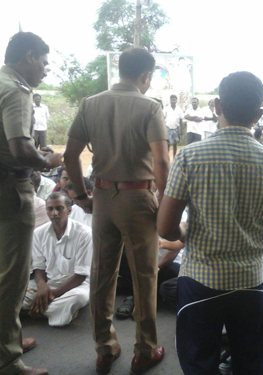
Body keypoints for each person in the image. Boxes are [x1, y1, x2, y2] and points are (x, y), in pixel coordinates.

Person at [156, 71, 263, 375]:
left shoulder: (190, 157)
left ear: (216, 105)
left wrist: (186, 232)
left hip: (201, 280)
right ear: (259, 114)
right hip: (249, 281)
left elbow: (165, 228)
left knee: (199, 360)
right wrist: (252, 236)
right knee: (248, 360)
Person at [64, 48, 170, 374]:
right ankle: (145, 350)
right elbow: (162, 160)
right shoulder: (150, 107)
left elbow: (70, 155)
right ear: (146, 76)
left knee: (102, 273)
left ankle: (105, 348)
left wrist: (82, 196)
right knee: (144, 277)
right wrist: (164, 200)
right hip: (138, 199)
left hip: (102, 197)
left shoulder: (90, 103)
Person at [0, 31, 63, 375]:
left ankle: (6, 338)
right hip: (9, 192)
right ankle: (8, 360)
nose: (45, 68)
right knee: (11, 278)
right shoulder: (16, 90)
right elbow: (21, 148)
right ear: (27, 56)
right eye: (43, 60)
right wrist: (47, 162)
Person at [22, 193, 92, 327]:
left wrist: (50, 295)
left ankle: (35, 310)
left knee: (79, 297)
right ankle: (54, 312)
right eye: (50, 209)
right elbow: (38, 267)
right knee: (13, 296)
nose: (54, 213)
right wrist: (42, 286)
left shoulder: (84, 234)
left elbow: (81, 276)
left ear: (69, 210)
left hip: (76, 285)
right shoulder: (38, 233)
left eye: (59, 208)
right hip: (48, 282)